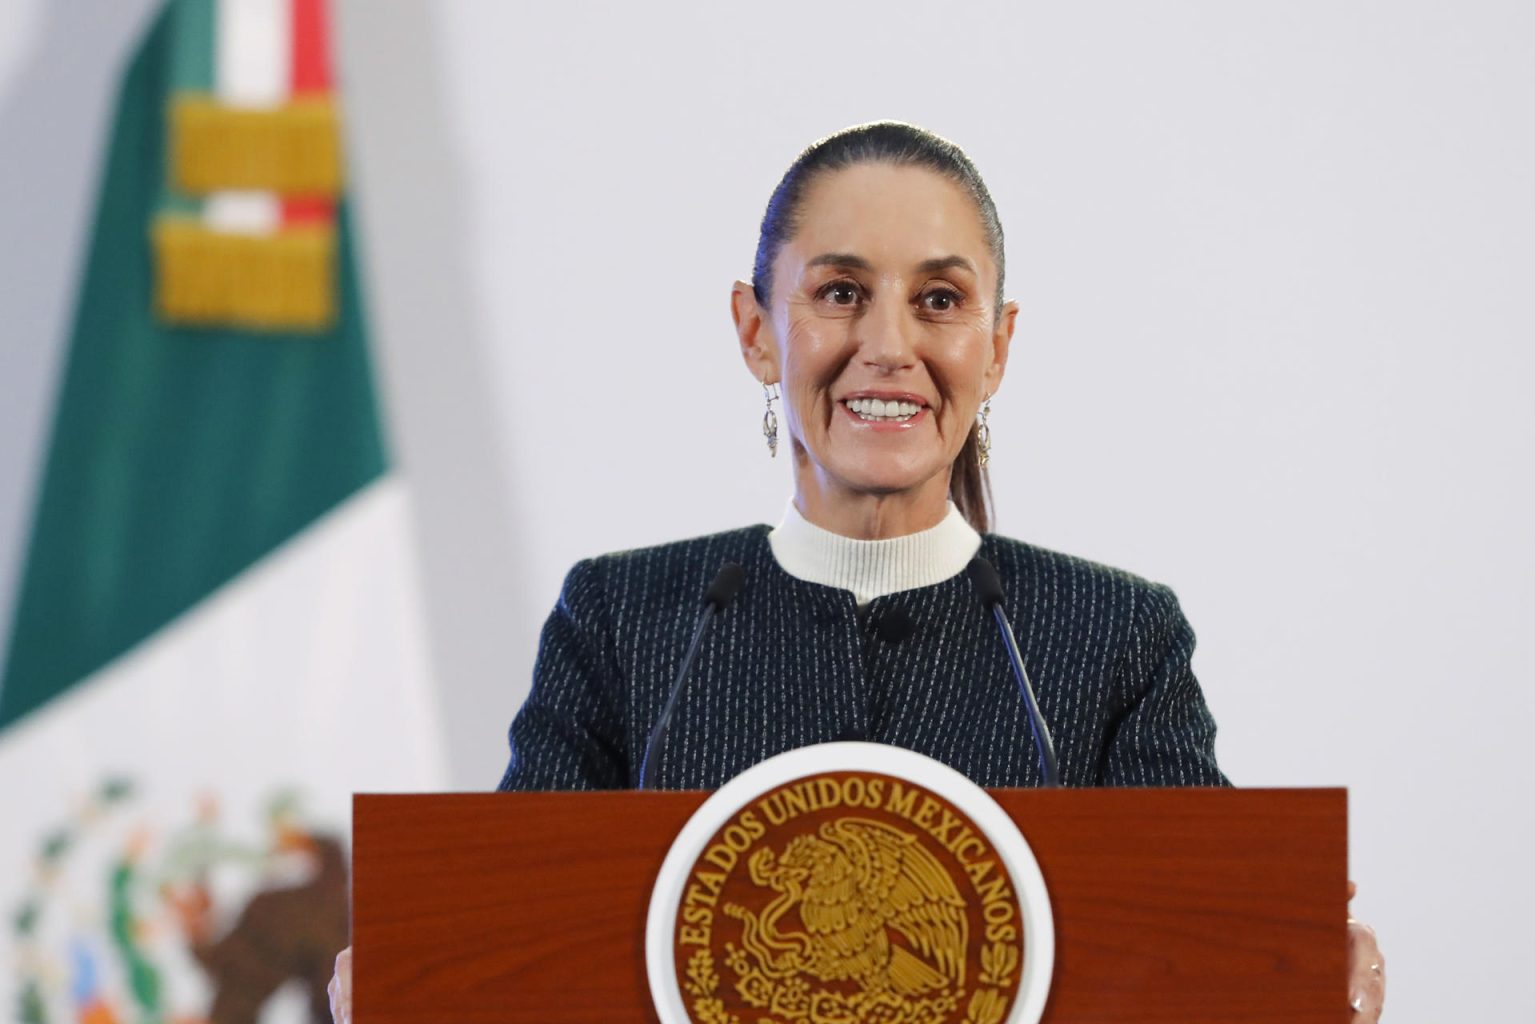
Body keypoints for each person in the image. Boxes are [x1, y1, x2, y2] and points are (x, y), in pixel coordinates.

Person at [329, 121, 1385, 1021]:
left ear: (998, 345)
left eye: (939, 300)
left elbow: (1200, 960)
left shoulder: (1113, 633)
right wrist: (408, 983)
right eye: (840, 292)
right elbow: (514, 946)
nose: (888, 345)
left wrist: (1302, 976)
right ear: (756, 330)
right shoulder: (625, 619)